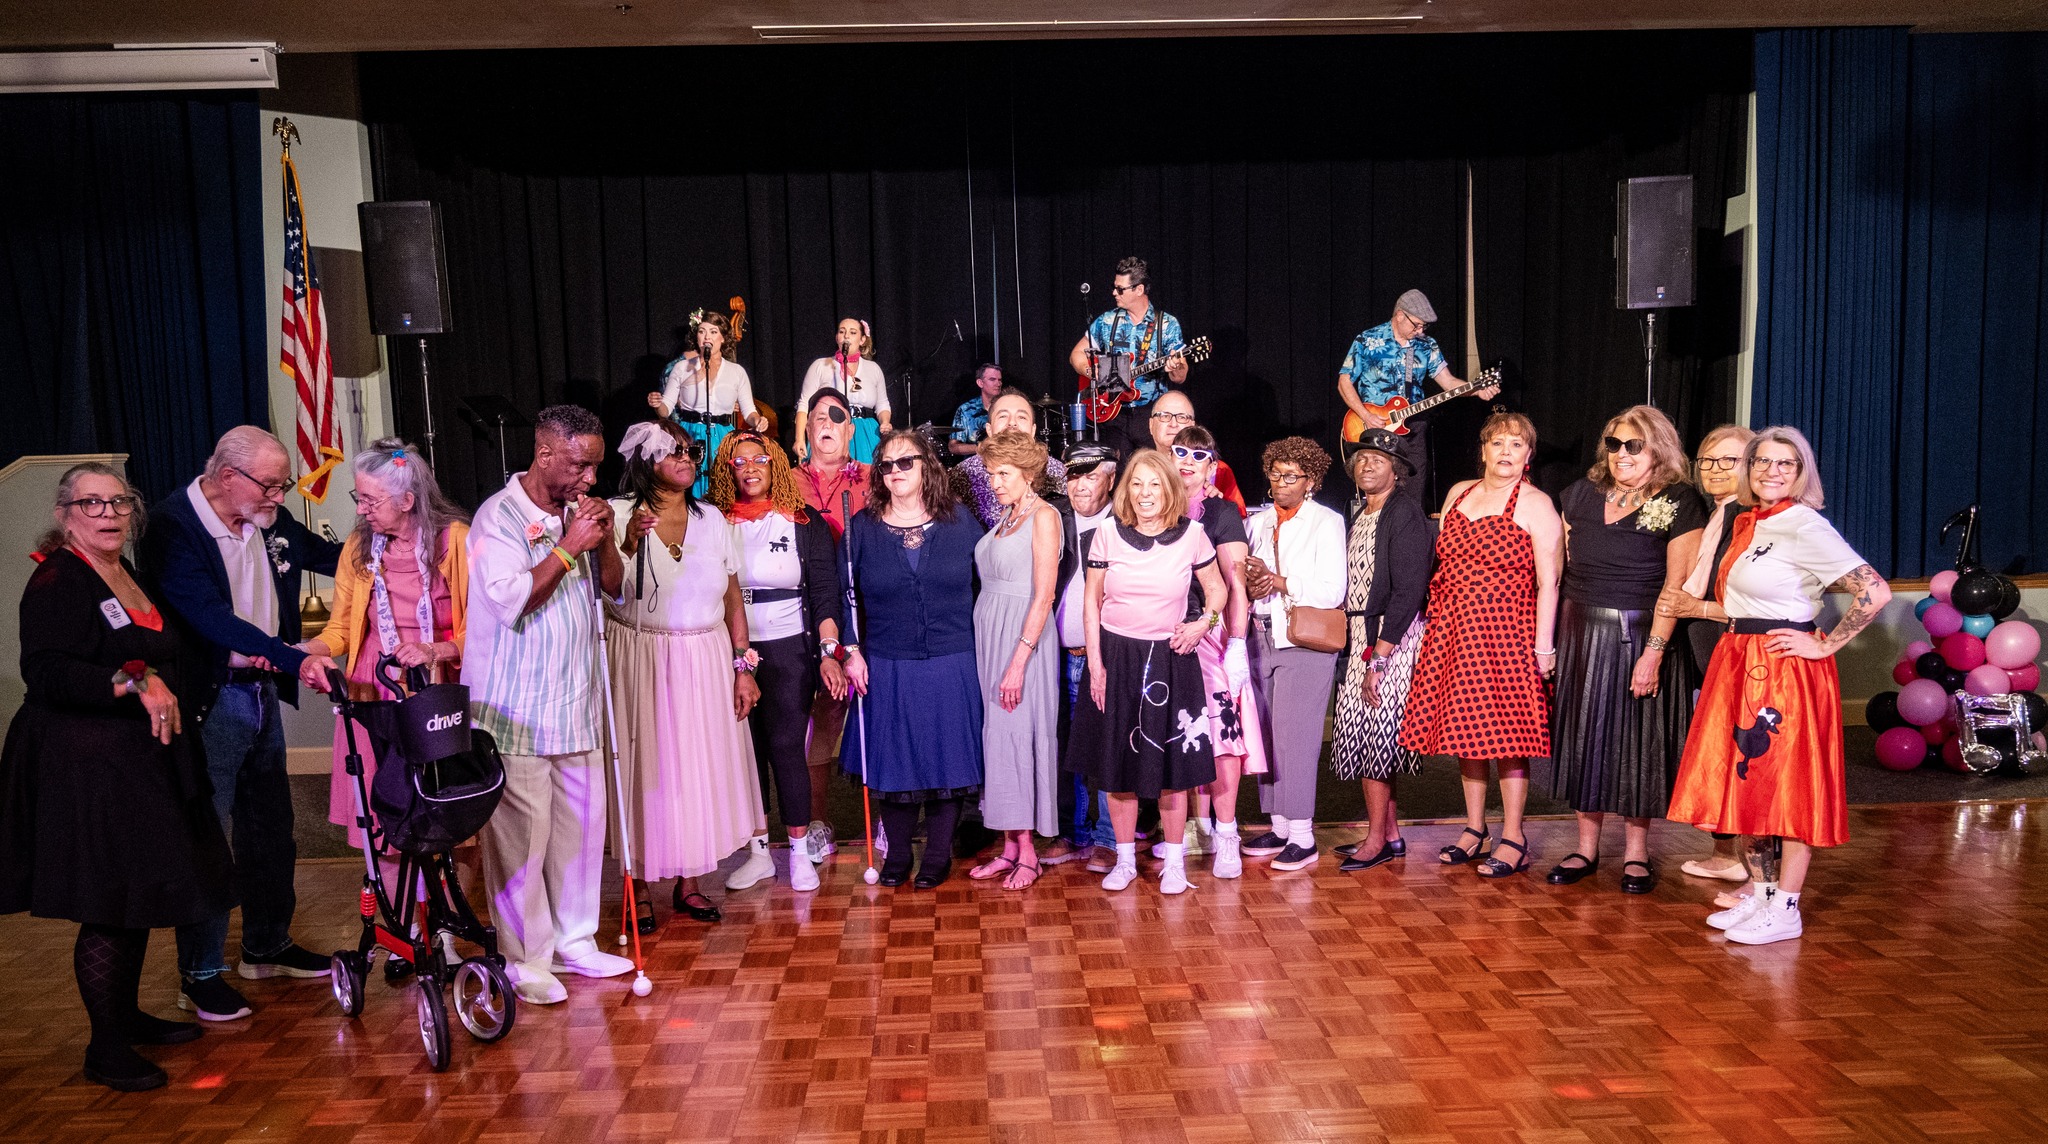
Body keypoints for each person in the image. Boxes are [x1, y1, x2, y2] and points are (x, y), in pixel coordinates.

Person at [1, 465, 233, 1091]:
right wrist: (133, 679)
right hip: (85, 768)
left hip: (136, 763)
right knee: (109, 902)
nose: (108, 512)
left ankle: (125, 1016)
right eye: (91, 502)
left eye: (118, 501)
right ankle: (105, 1047)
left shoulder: (124, 573)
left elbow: (138, 646)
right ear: (64, 513)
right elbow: (46, 671)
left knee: (134, 898)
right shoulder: (56, 580)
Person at [1661, 427, 1890, 946]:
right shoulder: (1748, 521)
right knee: (1747, 784)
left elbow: (1874, 592)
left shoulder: (1804, 523)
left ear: (1801, 472)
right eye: (1762, 461)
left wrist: (1825, 644)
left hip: (1784, 668)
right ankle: (1763, 896)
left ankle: (1786, 905)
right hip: (1739, 658)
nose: (1771, 471)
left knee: (1785, 785)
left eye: (1785, 464)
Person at [143, 426, 342, 1022]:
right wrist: (295, 658)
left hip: (259, 695)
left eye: (281, 485)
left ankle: (267, 944)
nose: (279, 497)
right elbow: (210, 620)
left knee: (270, 826)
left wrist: (397, 547)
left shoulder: (266, 515)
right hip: (212, 698)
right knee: (211, 833)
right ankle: (200, 974)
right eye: (271, 485)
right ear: (228, 476)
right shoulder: (173, 528)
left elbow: (331, 558)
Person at [464, 404, 633, 1004]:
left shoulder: (577, 515)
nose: (591, 478)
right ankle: (524, 958)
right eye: (581, 466)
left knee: (581, 832)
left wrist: (604, 541)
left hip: (578, 702)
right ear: (544, 455)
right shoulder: (497, 518)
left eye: (596, 466)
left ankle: (577, 940)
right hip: (516, 709)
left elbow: (616, 591)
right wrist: (568, 547)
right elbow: (512, 600)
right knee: (523, 838)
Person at [294, 440, 470, 972]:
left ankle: (445, 934)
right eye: (360, 498)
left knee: (448, 819)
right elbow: (343, 628)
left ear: (409, 499)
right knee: (386, 823)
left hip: (436, 685)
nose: (362, 508)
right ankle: (401, 933)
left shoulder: (454, 540)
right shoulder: (359, 547)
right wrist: (307, 654)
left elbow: (483, 627)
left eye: (370, 499)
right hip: (376, 689)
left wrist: (438, 649)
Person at [606, 420, 765, 926]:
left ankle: (689, 883)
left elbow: (732, 596)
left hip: (705, 657)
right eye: (674, 450)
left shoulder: (714, 519)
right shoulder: (618, 514)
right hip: (640, 654)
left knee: (692, 768)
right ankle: (638, 887)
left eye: (692, 450)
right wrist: (628, 542)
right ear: (646, 458)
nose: (688, 457)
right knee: (644, 768)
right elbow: (609, 587)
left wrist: (743, 666)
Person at [1543, 407, 1707, 895]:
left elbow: (1675, 586)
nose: (1621, 454)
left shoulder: (1680, 501)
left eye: (1633, 445)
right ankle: (1585, 847)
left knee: (1639, 743)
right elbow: (1563, 570)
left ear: (1658, 447)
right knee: (1584, 740)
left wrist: (1654, 652)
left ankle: (1637, 853)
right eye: (1614, 444)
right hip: (1580, 632)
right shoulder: (1579, 494)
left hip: (1642, 634)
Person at [1398, 411, 1562, 879]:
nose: (1506, 452)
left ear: (1528, 455)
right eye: (1498, 443)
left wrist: (1543, 648)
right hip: (1452, 628)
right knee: (1467, 734)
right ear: (1484, 450)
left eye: (1517, 444)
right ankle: (1475, 829)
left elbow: (1548, 583)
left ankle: (1514, 836)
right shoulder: (1459, 493)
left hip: (1507, 631)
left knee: (1509, 738)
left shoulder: (1535, 503)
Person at [1066, 449, 1228, 895]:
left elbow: (1218, 590)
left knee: (1171, 770)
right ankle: (1123, 861)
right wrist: (1095, 665)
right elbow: (1091, 602)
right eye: (1136, 484)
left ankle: (1174, 864)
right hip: (1117, 659)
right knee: (1118, 766)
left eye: (1154, 484)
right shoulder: (1106, 535)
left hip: (1172, 660)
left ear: (1170, 489)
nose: (1144, 493)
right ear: (1125, 489)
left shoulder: (1193, 535)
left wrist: (1202, 624)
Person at [841, 430, 986, 888]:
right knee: (895, 763)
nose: (896, 471)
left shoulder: (961, 521)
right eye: (887, 464)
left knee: (948, 763)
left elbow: (990, 583)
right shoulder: (861, 527)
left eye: (906, 462)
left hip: (953, 658)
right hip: (887, 661)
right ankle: (899, 857)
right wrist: (850, 650)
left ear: (927, 466)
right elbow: (844, 596)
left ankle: (938, 856)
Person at [707, 428, 844, 896]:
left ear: (775, 466)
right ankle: (760, 853)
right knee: (748, 755)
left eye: (758, 460)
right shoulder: (712, 521)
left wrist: (830, 653)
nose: (749, 469)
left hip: (789, 648)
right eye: (738, 462)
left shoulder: (803, 523)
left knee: (786, 746)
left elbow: (826, 594)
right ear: (728, 469)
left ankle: (800, 853)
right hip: (726, 651)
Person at [1328, 431, 1432, 872]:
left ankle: (1374, 840)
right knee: (1369, 737)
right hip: (1362, 637)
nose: (1367, 465)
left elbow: (1408, 590)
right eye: (1361, 458)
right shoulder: (1362, 511)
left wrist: (1380, 656)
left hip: (1391, 640)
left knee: (1376, 741)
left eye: (1378, 458)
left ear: (1398, 469)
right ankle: (1390, 834)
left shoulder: (1404, 512)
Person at [1241, 437, 1346, 872]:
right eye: (1274, 474)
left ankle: (1303, 836)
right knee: (1266, 736)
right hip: (1260, 637)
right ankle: (1280, 825)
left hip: (1304, 641)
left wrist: (1279, 581)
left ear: (1311, 481)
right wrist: (1254, 582)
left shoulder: (1327, 521)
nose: (1280, 483)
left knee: (1296, 740)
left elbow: (1331, 589)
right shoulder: (1259, 522)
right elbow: (1250, 576)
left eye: (1291, 476)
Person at [965, 431, 1063, 891]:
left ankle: (1028, 854)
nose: (994, 482)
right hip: (992, 637)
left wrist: (1018, 661)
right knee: (998, 741)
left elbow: (1044, 595)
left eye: (1003, 473)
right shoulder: (1006, 516)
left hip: (1023, 641)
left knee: (1017, 737)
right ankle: (1008, 846)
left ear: (1027, 474)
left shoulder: (1043, 516)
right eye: (990, 473)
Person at [1164, 425, 1259, 878]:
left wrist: (1236, 642)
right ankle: (1184, 832)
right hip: (1157, 637)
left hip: (1207, 635)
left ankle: (1226, 834)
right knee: (1174, 735)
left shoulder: (1220, 513)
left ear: (1211, 466)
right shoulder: (1150, 505)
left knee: (1221, 741)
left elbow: (1235, 583)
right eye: (1178, 451)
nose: (1186, 460)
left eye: (1197, 455)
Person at [1676, 424, 1757, 887]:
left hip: (1736, 643)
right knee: (1718, 750)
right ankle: (1726, 853)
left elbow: (1755, 600)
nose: (1714, 469)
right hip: (1707, 641)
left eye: (1729, 460)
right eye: (1707, 459)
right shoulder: (1717, 513)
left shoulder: (1752, 517)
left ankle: (1758, 872)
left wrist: (1696, 607)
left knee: (1744, 751)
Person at [791, 388, 870, 861]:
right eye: (817, 416)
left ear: (849, 429)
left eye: (835, 416)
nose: (826, 422)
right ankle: (818, 820)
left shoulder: (873, 477)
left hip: (865, 607)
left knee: (873, 714)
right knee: (819, 717)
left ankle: (886, 822)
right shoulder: (787, 481)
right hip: (809, 608)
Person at [1336, 290, 1500, 504]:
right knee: (1377, 488)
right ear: (1400, 315)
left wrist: (1475, 389)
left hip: (1414, 426)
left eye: (1424, 326)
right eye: (1416, 325)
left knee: (1414, 489)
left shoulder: (1427, 345)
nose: (1420, 330)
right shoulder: (1367, 340)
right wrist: (1365, 415)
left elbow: (1448, 383)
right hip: (1375, 425)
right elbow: (1344, 382)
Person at [1047, 443, 1122, 873]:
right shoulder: (1052, 516)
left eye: (1090, 475)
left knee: (1104, 747)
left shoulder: (1125, 520)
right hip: (1052, 656)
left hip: (1101, 655)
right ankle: (1073, 833)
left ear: (1111, 478)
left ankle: (1110, 837)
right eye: (1073, 475)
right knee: (1064, 747)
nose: (1079, 485)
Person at [1066, 257, 1191, 456]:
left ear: (1139, 290)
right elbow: (1076, 355)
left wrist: (1177, 367)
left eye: (1120, 289)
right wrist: (1090, 371)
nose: (1114, 293)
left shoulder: (1167, 324)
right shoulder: (1107, 321)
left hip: (1150, 415)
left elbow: (1180, 376)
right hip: (1113, 413)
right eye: (1115, 287)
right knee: (1116, 476)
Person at [650, 310, 766, 495]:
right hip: (690, 433)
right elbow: (666, 410)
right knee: (689, 486)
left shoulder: (736, 372)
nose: (707, 336)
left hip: (723, 435)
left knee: (723, 486)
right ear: (696, 336)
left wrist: (758, 420)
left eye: (713, 331)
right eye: (702, 331)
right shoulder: (681, 368)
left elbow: (749, 411)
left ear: (722, 338)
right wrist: (658, 405)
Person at [954, 387, 1069, 527]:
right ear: (989, 429)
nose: (1012, 423)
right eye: (1003, 416)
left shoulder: (1058, 473)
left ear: (1033, 430)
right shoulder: (962, 475)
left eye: (1021, 417)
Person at [797, 317, 892, 463]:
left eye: (853, 332)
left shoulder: (873, 369)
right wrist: (799, 439)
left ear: (862, 340)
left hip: (865, 433)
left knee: (867, 478)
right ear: (837, 338)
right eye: (842, 332)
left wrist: (885, 421)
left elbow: (882, 404)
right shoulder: (821, 366)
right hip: (830, 428)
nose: (846, 336)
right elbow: (804, 405)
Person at [1144, 390, 1246, 513]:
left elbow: (1237, 519)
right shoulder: (1139, 471)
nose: (1173, 424)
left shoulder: (1219, 471)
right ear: (1150, 425)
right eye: (1165, 416)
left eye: (1182, 417)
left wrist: (1213, 503)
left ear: (1192, 425)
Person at [949, 363, 1007, 457]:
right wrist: (982, 447)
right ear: (980, 383)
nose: (998, 383)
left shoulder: (1008, 406)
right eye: (992, 379)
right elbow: (953, 447)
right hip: (976, 466)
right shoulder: (966, 410)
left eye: (999, 380)